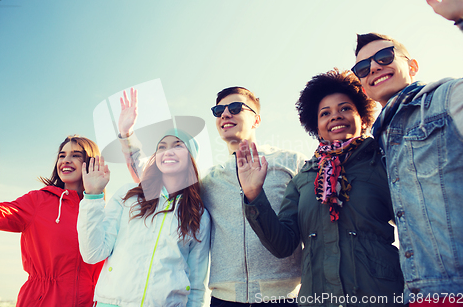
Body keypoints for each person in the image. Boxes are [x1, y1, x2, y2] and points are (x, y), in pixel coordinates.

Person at [118, 86, 307, 305]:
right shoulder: (210, 180)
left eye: (235, 108)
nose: (225, 114)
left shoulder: (292, 163)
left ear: (256, 120)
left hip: (284, 297)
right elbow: (153, 174)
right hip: (224, 299)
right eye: (219, 110)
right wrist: (126, 136)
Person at [238, 70, 404, 306]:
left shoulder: (383, 162)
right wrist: (254, 195)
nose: (335, 116)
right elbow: (283, 245)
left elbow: (415, 227)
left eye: (345, 108)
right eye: (325, 113)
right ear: (316, 126)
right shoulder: (303, 180)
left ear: (363, 118)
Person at [350, 0, 463, 304]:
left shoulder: (445, 98)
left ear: (412, 65)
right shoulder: (382, 139)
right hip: (419, 294)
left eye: (385, 57)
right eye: (362, 67)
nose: (373, 67)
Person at [77, 91, 210, 307]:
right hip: (112, 303)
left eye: (178, 145)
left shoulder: (199, 215)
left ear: (191, 158)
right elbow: (93, 253)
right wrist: (92, 197)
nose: (168, 151)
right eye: (161, 147)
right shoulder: (128, 195)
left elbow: (195, 285)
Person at [0, 116, 104, 307]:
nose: (66, 160)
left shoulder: (102, 212)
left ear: (91, 161)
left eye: (75, 155)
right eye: (62, 155)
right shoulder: (38, 202)